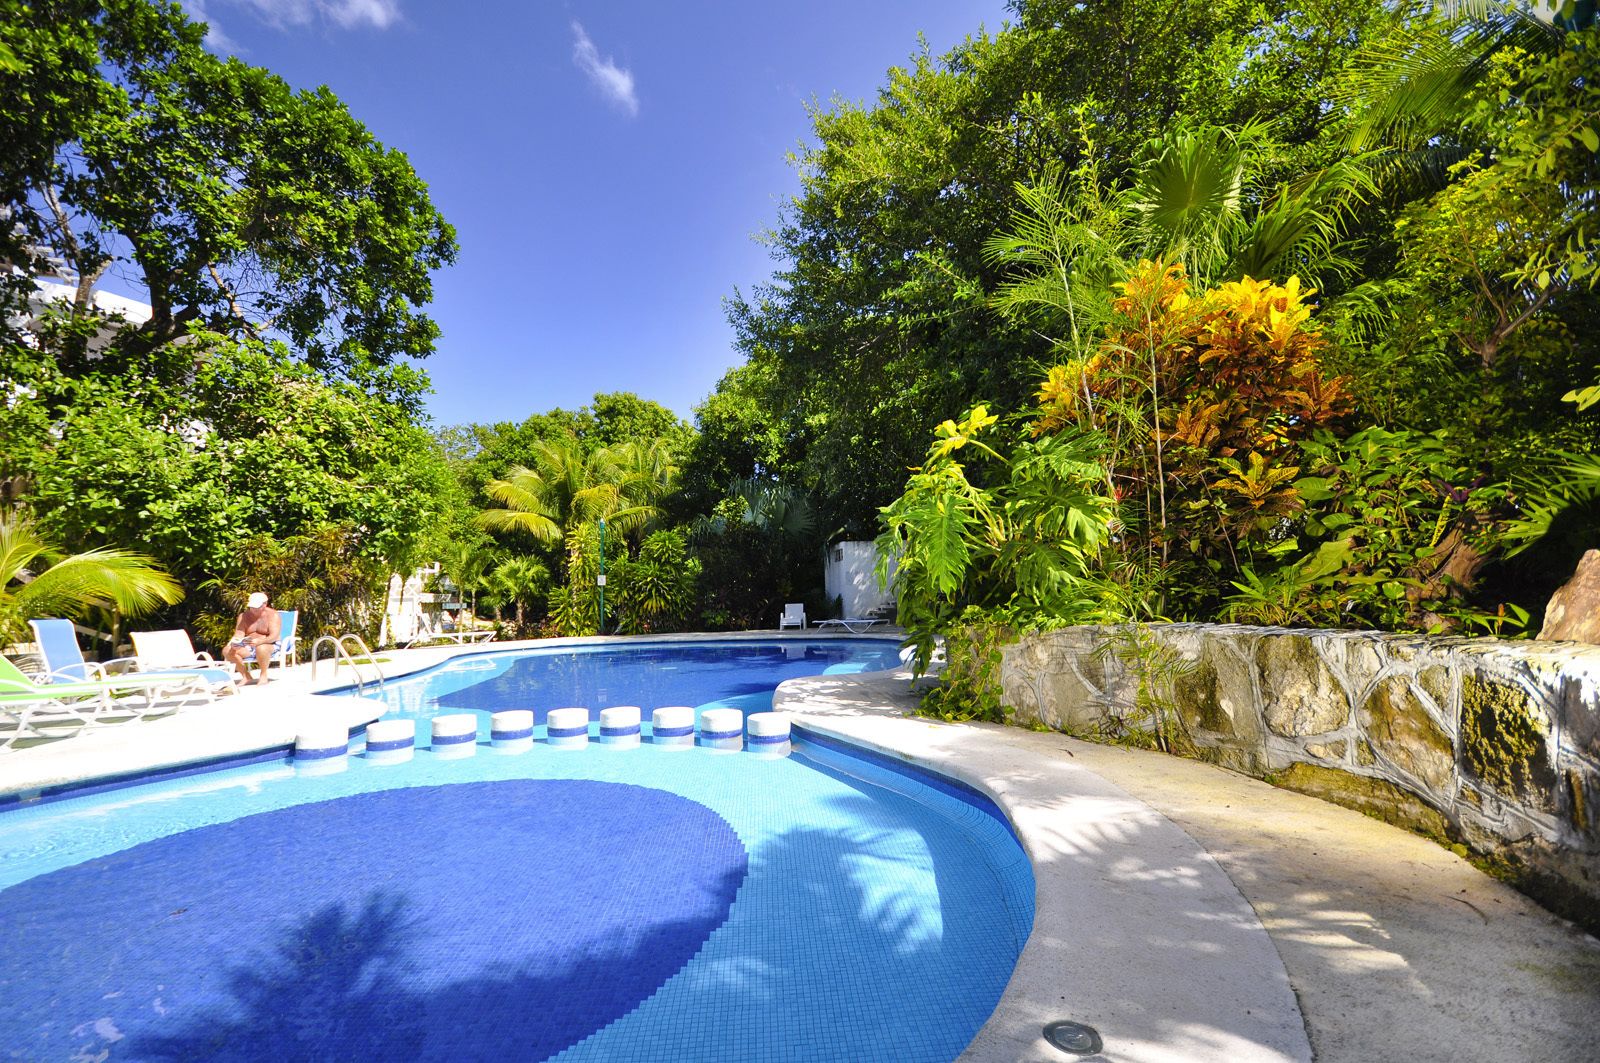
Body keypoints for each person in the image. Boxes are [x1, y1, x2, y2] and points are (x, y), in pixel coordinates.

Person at [223, 591, 281, 686]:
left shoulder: (273, 615)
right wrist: (236, 643)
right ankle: (246, 676)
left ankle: (263, 675)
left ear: (265, 604)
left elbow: (274, 636)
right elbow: (239, 633)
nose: (254, 609)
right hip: (249, 644)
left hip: (269, 643)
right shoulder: (243, 616)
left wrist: (260, 641)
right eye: (252, 607)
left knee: (261, 648)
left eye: (257, 607)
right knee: (227, 650)